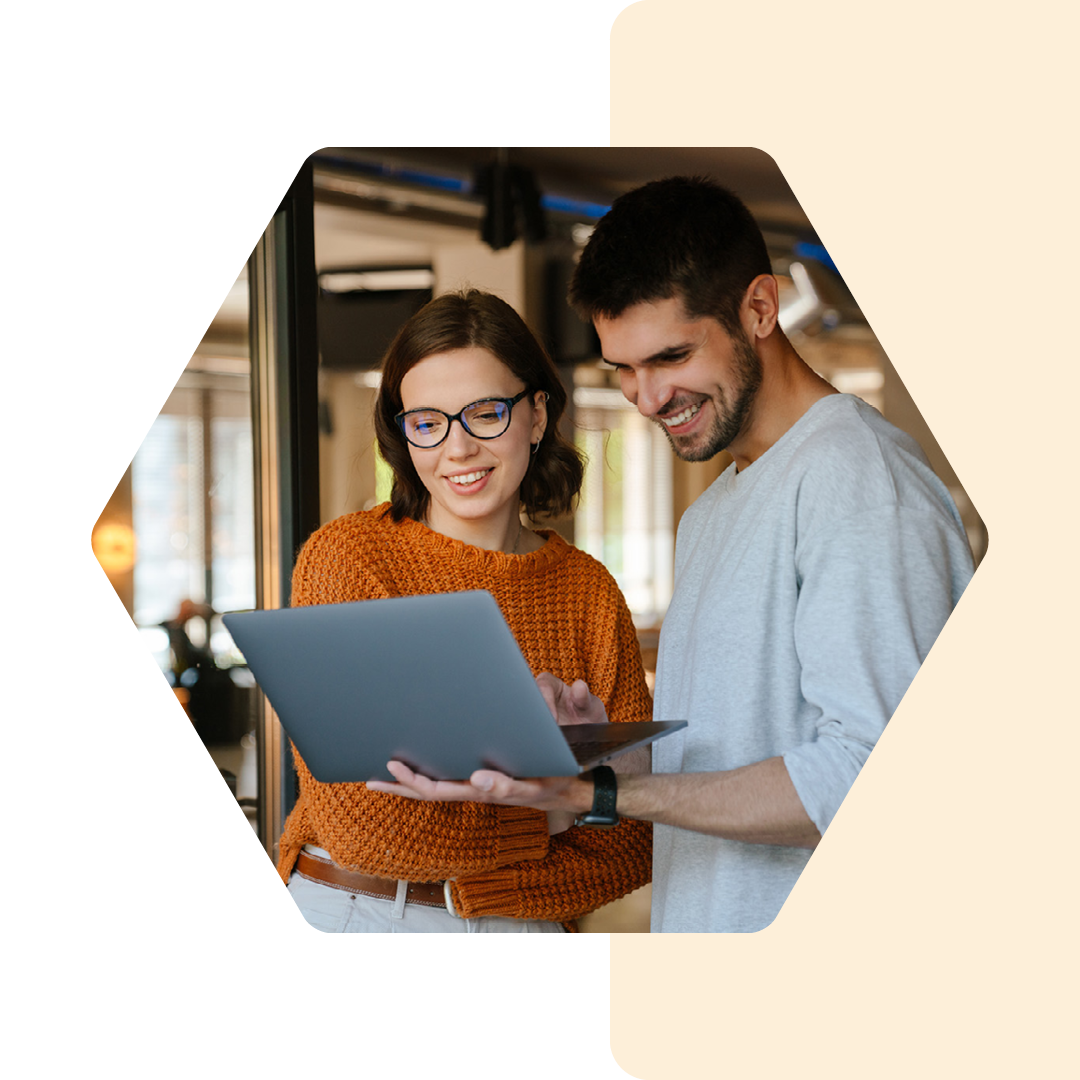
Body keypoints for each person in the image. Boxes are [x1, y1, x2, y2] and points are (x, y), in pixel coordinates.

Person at [369, 177, 976, 933]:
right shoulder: (715, 511)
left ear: (760, 308)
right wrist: (604, 759)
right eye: (623, 368)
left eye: (670, 356)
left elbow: (873, 780)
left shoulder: (858, 483)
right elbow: (726, 772)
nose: (647, 398)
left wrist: (606, 797)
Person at [277, 288, 653, 933]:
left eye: (484, 414)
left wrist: (562, 807)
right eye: (426, 422)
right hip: (360, 915)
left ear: (536, 415)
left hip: (524, 930)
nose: (456, 449)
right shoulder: (350, 561)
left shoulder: (588, 591)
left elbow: (633, 843)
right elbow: (364, 829)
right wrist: (562, 806)